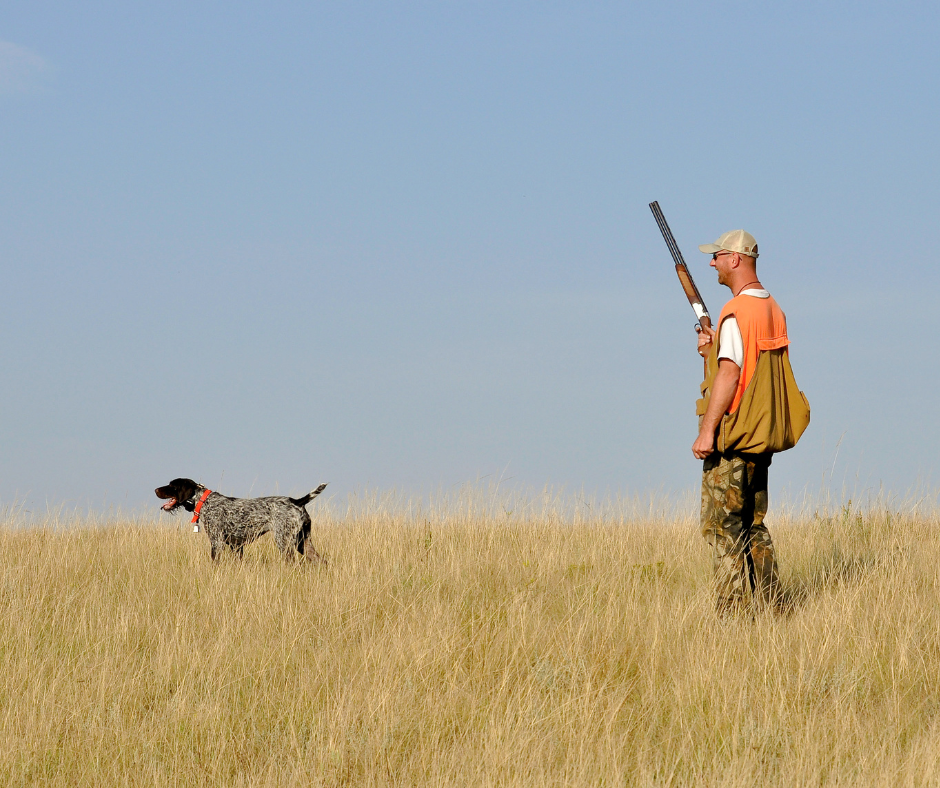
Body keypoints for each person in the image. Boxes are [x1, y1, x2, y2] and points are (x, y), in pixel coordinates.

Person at [692, 229, 787, 615]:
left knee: (720, 527)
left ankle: (732, 614)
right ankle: (775, 607)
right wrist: (711, 349)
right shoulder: (772, 308)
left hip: (733, 436)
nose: (711, 263)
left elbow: (730, 375)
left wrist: (707, 431)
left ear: (735, 259)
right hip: (760, 435)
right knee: (753, 525)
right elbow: (752, 369)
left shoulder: (736, 311)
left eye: (717, 256)